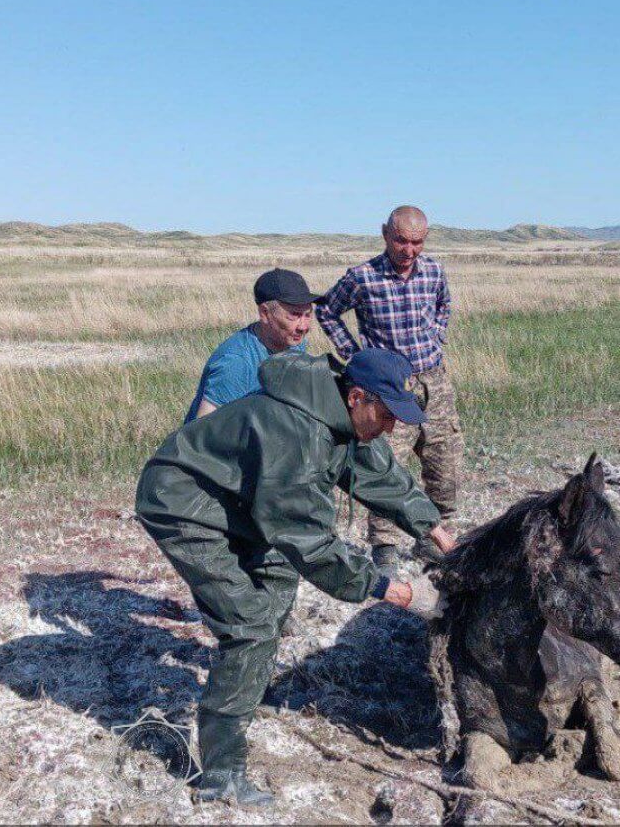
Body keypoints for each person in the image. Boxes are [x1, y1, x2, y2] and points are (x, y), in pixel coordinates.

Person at [136, 347, 457, 807]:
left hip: (238, 501)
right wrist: (390, 589)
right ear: (357, 397)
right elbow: (307, 541)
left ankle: (247, 684)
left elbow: (379, 473)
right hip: (183, 503)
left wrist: (436, 531)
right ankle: (220, 775)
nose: (391, 428)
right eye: (386, 415)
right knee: (249, 626)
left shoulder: (343, 415)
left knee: (277, 579)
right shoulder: (298, 432)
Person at [316, 205, 464, 577]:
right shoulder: (363, 277)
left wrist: (437, 335)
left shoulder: (433, 271)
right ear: (385, 234)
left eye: (417, 242)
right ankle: (384, 548)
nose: (409, 249)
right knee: (385, 466)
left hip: (435, 380)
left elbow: (444, 304)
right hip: (389, 389)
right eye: (401, 240)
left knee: (444, 463)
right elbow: (327, 311)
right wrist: (356, 356)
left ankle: (436, 537)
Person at [184, 268, 317, 423]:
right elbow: (200, 435)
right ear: (265, 313)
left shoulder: (293, 341)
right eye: (294, 315)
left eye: (307, 315)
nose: (303, 327)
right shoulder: (236, 363)